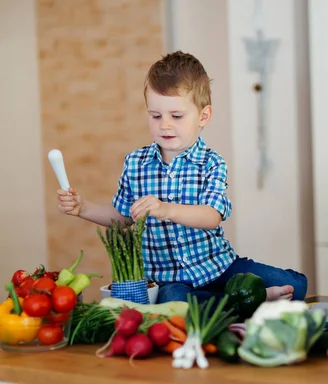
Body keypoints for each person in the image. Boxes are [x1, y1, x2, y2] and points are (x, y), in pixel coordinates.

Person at [56, 51, 307, 304]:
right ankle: (247, 300)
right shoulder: (135, 163)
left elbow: (211, 216)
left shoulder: (211, 162)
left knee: (297, 286)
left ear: (203, 116)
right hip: (170, 280)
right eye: (156, 116)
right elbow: (122, 217)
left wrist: (165, 209)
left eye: (176, 116)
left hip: (217, 267)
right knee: (176, 306)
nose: (165, 125)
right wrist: (83, 208)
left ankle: (232, 298)